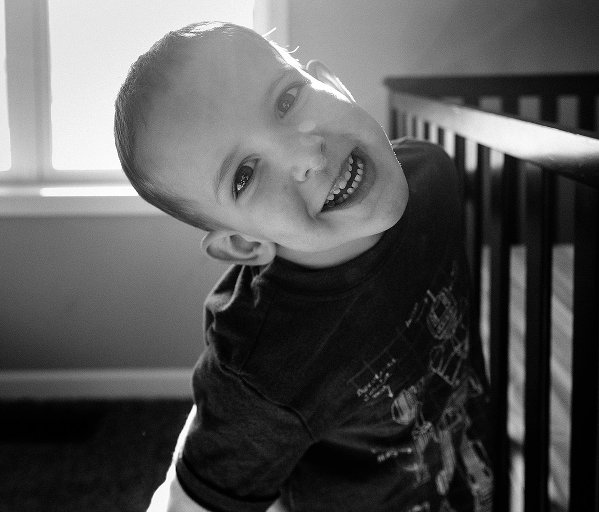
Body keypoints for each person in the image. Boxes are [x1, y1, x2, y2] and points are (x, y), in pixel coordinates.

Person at [114, 21, 493, 512]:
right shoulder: (259, 371)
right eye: (245, 176)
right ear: (245, 244)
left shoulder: (434, 177)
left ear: (333, 84)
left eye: (287, 99)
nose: (304, 154)